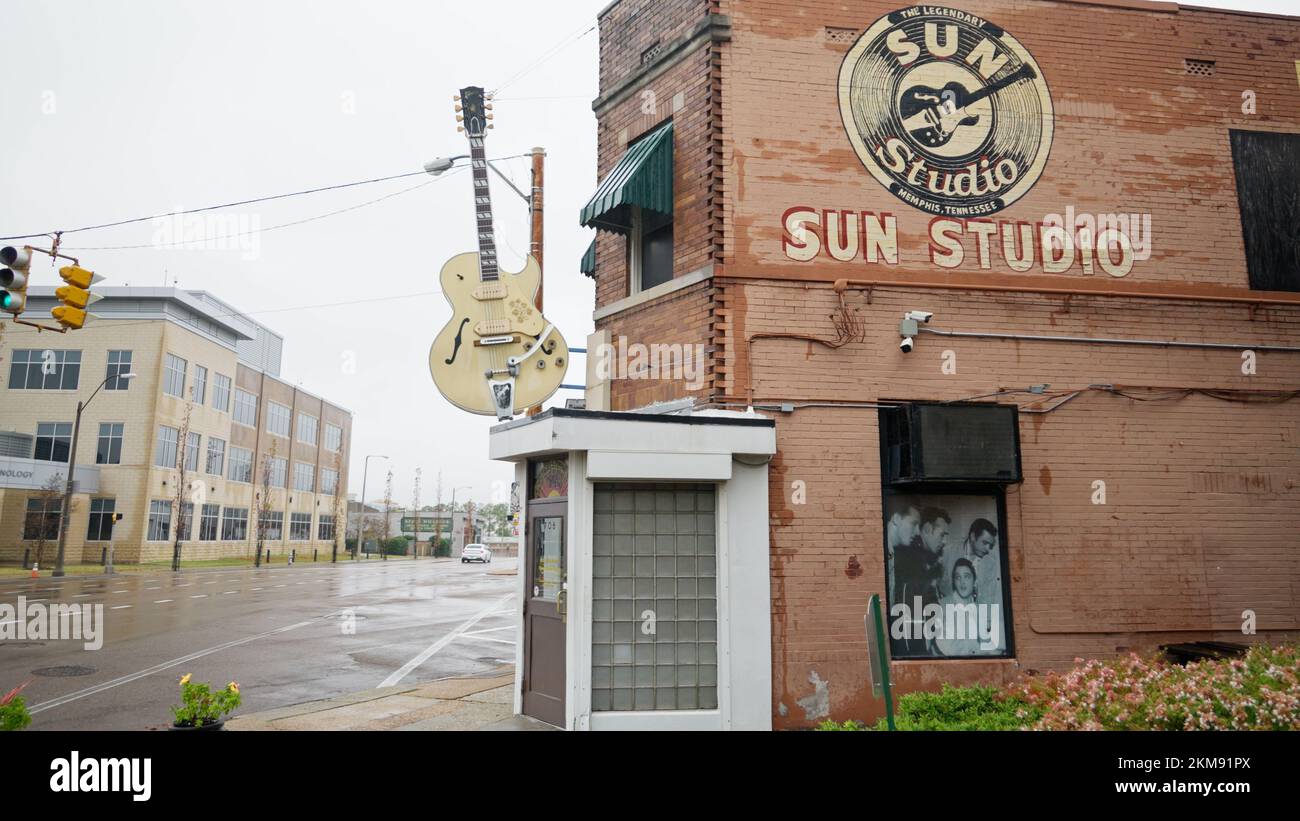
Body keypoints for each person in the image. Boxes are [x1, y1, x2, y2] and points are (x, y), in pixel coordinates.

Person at [891, 506, 950, 655]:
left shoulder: (926, 561)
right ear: (928, 529)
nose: (945, 541)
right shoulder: (909, 562)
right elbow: (907, 621)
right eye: (942, 535)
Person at [934, 558, 983, 656]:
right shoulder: (942, 606)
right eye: (958, 577)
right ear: (954, 582)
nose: (962, 582)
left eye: (967, 577)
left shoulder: (979, 608)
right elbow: (945, 646)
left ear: (974, 581)